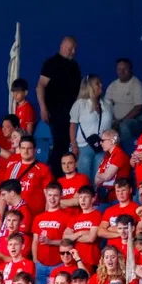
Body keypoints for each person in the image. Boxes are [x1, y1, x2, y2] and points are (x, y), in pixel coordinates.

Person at [38, 36, 83, 169]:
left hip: (72, 111)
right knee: (60, 142)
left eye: (75, 49)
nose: (73, 52)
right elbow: (40, 86)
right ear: (62, 47)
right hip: (55, 111)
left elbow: (79, 90)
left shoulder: (75, 66)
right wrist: (43, 108)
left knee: (67, 143)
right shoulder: (51, 63)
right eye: (70, 49)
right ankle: (55, 173)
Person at [69, 75, 108, 185]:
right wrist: (74, 145)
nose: (101, 85)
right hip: (84, 146)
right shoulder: (80, 104)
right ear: (89, 87)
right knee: (84, 181)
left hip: (103, 146)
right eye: (97, 83)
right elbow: (73, 126)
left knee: (98, 180)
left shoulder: (106, 103)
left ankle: (97, 201)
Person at [106, 57, 142, 151]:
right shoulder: (113, 85)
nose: (121, 72)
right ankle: (110, 155)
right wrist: (113, 119)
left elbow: (139, 107)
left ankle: (126, 153)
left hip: (135, 121)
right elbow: (107, 105)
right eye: (119, 69)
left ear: (130, 69)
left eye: (124, 69)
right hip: (116, 120)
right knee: (105, 124)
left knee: (124, 126)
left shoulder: (136, 84)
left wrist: (121, 121)